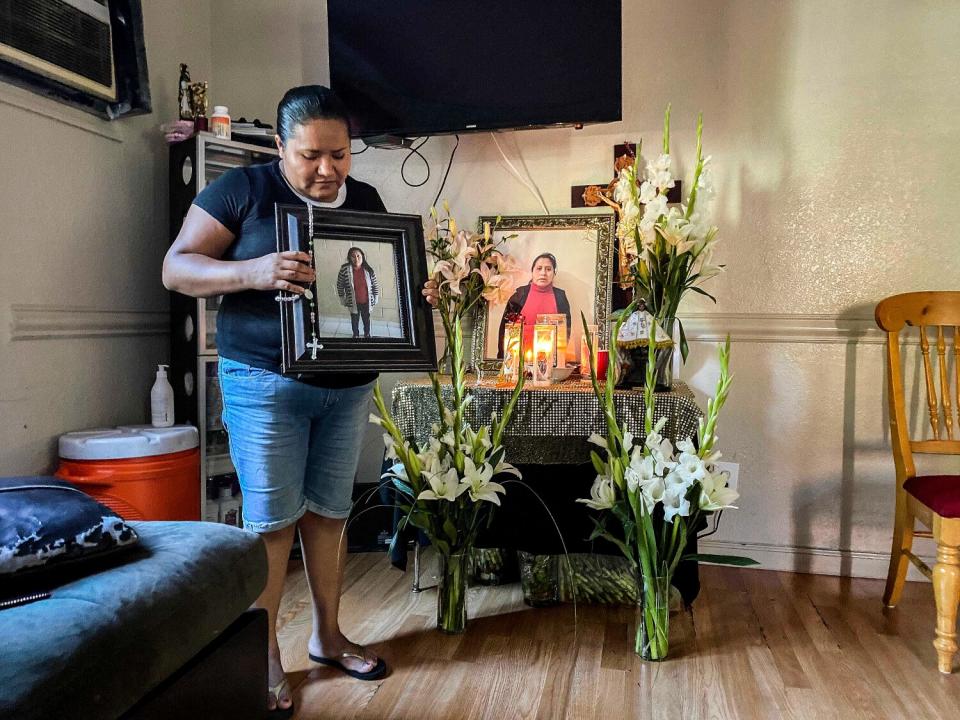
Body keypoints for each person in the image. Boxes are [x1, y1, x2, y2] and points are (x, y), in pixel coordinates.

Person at [163, 85, 438, 718]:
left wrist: (415, 295)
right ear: (280, 146)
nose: (327, 170)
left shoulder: (366, 199)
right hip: (264, 384)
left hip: (347, 388)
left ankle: (328, 636)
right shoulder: (242, 191)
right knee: (271, 524)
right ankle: (261, 656)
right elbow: (177, 269)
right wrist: (254, 272)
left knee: (331, 514)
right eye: (311, 155)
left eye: (339, 154)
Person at [497, 252, 571, 356]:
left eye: (548, 269)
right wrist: (502, 360)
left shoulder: (560, 297)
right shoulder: (519, 297)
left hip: (550, 363)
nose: (543, 273)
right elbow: (505, 332)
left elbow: (565, 333)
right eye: (539, 268)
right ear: (532, 271)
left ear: (554, 273)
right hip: (520, 363)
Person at [335, 247, 380, 338]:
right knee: (354, 320)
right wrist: (342, 298)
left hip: (366, 302)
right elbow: (340, 285)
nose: (356, 259)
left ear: (362, 257)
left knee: (366, 320)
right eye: (353, 256)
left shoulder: (369, 270)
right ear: (349, 258)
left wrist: (375, 297)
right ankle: (355, 334)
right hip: (353, 302)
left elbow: (375, 285)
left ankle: (367, 334)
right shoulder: (344, 270)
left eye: (358, 256)